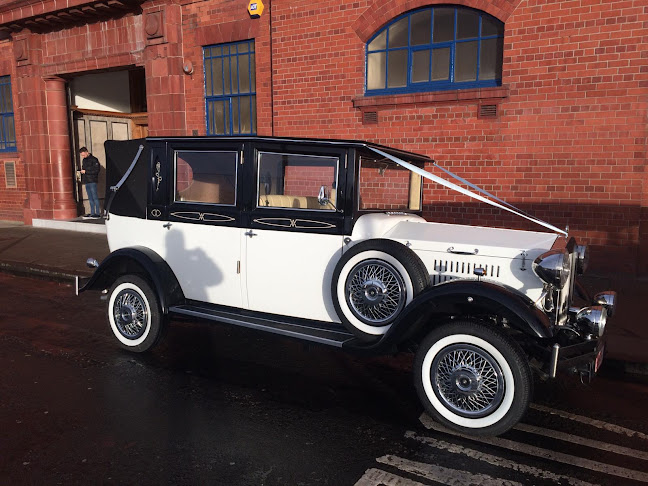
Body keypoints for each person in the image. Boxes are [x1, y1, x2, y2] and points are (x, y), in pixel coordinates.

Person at [79, 147, 101, 218]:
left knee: (95, 197)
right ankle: (92, 212)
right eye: (82, 155)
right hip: (87, 180)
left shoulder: (94, 159)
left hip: (92, 180)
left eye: (83, 155)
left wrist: (86, 171)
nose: (83, 156)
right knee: (90, 198)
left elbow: (96, 170)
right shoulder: (84, 160)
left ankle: (97, 213)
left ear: (87, 152)